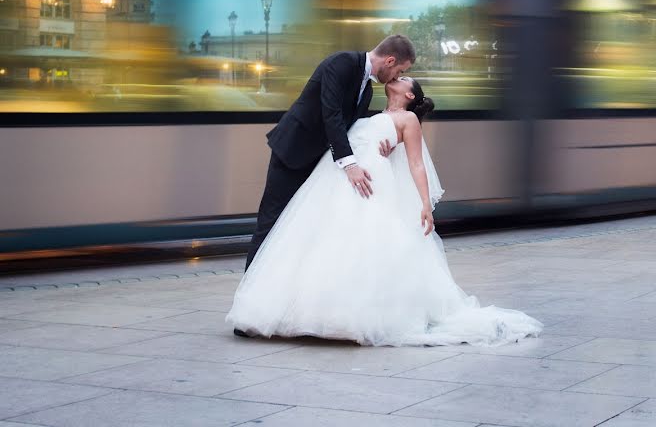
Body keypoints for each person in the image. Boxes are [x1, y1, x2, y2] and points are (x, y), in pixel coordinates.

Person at [227, 77, 543, 346]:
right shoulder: (368, 112)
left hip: (369, 186)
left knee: (363, 246)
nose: (398, 77)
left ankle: (351, 318)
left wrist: (425, 204)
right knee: (324, 243)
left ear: (409, 95)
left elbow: (416, 163)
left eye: (405, 78)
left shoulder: (409, 120)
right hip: (337, 181)